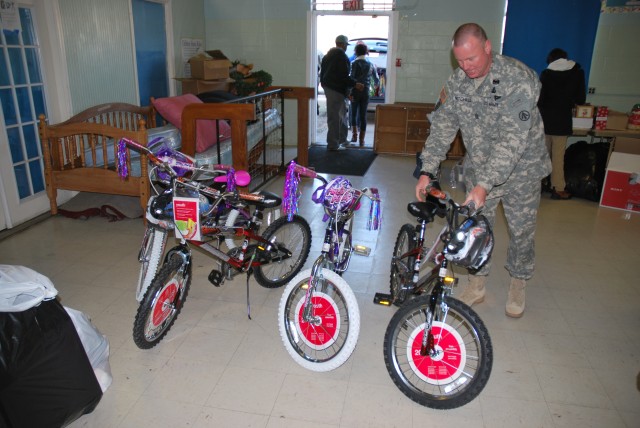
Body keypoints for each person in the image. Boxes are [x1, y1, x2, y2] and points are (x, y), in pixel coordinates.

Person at [414, 23, 551, 318]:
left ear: (487, 47)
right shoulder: (457, 83)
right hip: (478, 169)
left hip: (522, 172)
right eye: (460, 61)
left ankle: (518, 282)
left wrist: (485, 184)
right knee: (474, 230)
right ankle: (477, 284)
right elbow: (442, 128)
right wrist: (426, 169)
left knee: (521, 232)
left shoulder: (518, 79)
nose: (466, 67)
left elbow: (513, 139)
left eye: (472, 59)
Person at [538, 48, 586, 200]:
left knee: (541, 156)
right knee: (559, 157)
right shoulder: (577, 72)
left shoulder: (546, 74)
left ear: (550, 59)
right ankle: (558, 189)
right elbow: (580, 99)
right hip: (563, 120)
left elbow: (540, 100)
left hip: (545, 120)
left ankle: (537, 186)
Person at [321, 35, 364, 151]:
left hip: (330, 89)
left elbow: (322, 75)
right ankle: (334, 144)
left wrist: (325, 87)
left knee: (338, 116)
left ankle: (341, 141)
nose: (346, 47)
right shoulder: (342, 57)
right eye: (346, 45)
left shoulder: (327, 56)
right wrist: (355, 84)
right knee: (337, 118)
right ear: (342, 44)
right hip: (337, 90)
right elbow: (344, 77)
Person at [349, 43, 379, 146]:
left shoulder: (353, 63)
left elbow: (351, 78)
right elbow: (376, 80)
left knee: (353, 113)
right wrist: (374, 86)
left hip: (355, 91)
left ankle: (354, 136)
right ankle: (362, 140)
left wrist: (349, 91)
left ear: (356, 52)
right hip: (365, 92)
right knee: (363, 115)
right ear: (366, 52)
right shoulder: (371, 64)